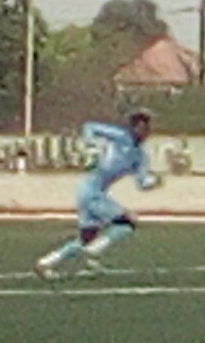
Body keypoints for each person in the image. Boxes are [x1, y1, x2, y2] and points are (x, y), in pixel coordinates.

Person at [35, 112, 158, 278]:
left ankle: (46, 263)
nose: (145, 132)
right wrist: (91, 147)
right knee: (128, 222)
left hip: (94, 191)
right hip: (90, 191)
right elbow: (89, 127)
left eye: (147, 128)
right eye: (141, 128)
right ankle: (94, 251)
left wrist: (153, 182)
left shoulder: (140, 156)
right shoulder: (120, 136)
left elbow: (141, 183)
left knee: (86, 238)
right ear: (133, 127)